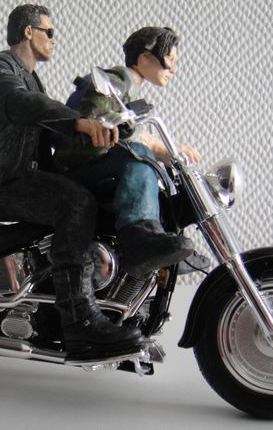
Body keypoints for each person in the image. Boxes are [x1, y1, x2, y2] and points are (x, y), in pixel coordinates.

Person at [0, 4, 142, 362]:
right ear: (29, 32)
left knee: (94, 192)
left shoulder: (32, 80)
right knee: (75, 203)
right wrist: (77, 122)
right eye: (50, 32)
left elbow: (50, 128)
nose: (55, 40)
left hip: (20, 180)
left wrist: (102, 131)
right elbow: (22, 103)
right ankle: (79, 321)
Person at [54, 27, 203, 278]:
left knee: (156, 171)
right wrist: (159, 147)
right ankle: (137, 240)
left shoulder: (130, 88)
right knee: (140, 157)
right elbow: (95, 116)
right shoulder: (117, 79)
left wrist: (167, 151)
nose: (174, 69)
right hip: (79, 163)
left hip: (94, 161)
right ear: (145, 58)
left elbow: (135, 131)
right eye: (170, 60)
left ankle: (166, 237)